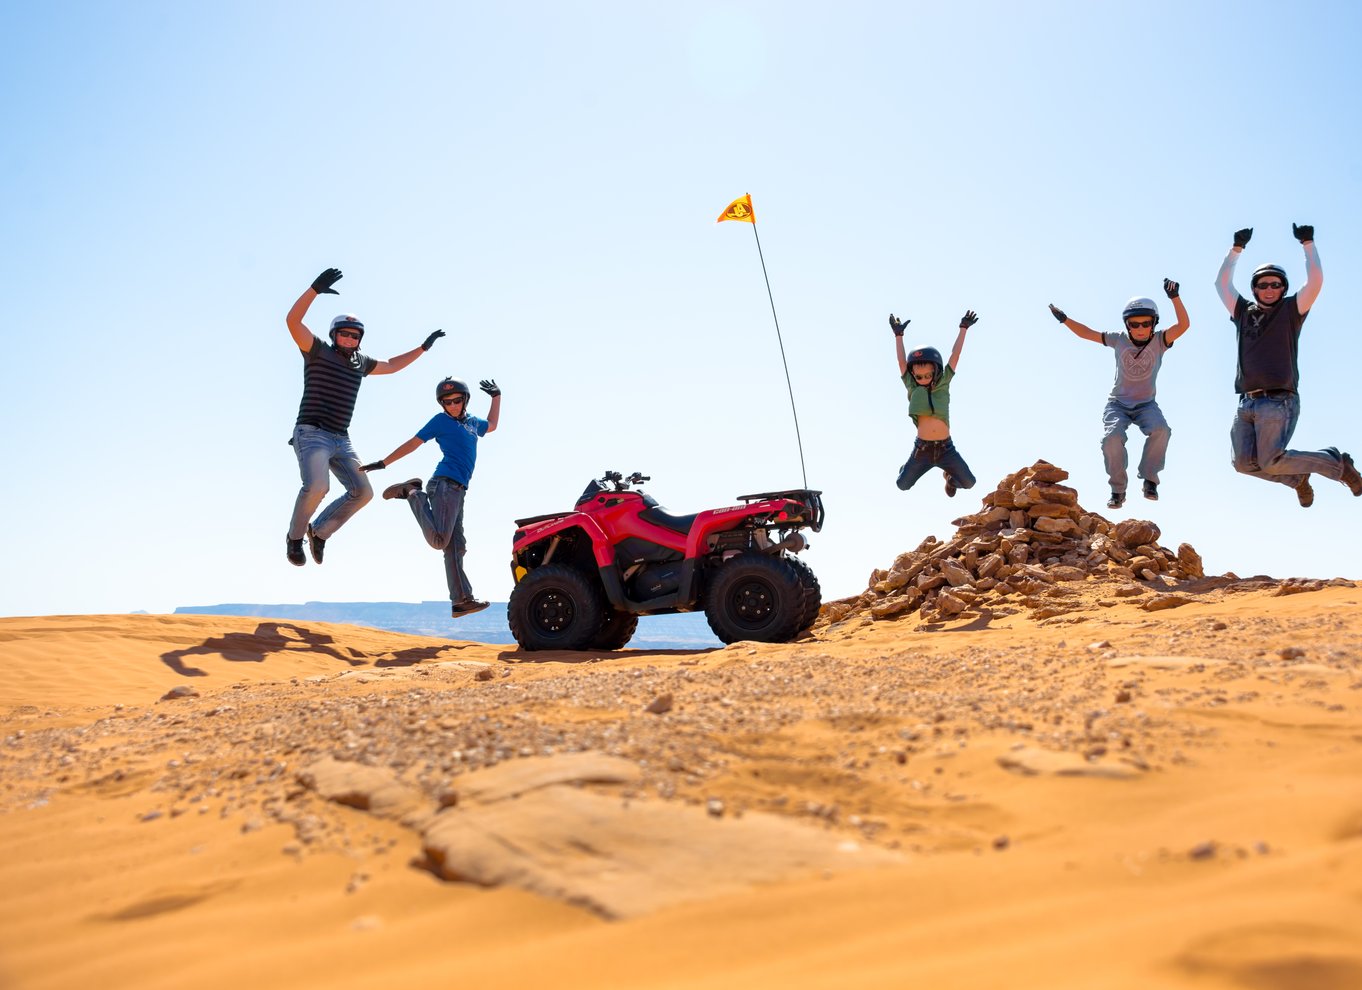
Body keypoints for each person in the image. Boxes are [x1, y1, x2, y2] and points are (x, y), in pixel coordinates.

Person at [284, 268, 446, 566]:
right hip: (312, 433)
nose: (348, 338)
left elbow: (392, 365)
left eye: (354, 335)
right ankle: (294, 539)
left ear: (359, 339)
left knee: (364, 491)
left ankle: (318, 533)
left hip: (341, 439)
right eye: (343, 333)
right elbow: (293, 322)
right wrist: (314, 290)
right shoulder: (317, 350)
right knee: (318, 486)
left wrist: (423, 348)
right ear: (334, 335)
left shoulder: (361, 363)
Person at [1214, 224, 1362, 506]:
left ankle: (1337, 464)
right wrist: (1236, 249)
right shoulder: (1242, 311)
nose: (1269, 289)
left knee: (1270, 460)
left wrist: (1308, 243)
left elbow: (1316, 281)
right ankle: (1298, 479)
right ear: (1254, 288)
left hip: (1278, 401)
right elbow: (1221, 284)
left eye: (1275, 284)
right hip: (1246, 402)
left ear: (1283, 287)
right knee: (1243, 464)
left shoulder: (1291, 310)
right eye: (1263, 284)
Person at [361, 377, 502, 618]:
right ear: (442, 405)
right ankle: (412, 493)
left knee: (456, 548)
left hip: (459, 491)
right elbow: (414, 443)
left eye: (457, 400)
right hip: (444, 485)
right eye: (447, 402)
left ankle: (461, 601)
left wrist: (496, 397)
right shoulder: (440, 421)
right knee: (439, 541)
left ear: (465, 400)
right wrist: (384, 463)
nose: (453, 405)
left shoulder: (472, 423)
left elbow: (491, 425)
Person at [1048, 280, 1189, 509]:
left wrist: (1175, 298)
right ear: (1127, 325)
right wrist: (1065, 320)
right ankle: (1117, 490)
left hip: (1146, 405)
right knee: (1111, 439)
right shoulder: (1118, 339)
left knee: (1161, 430)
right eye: (1135, 324)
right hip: (1118, 405)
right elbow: (1087, 333)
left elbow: (1183, 325)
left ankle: (1150, 480)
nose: (1141, 328)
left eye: (1146, 323)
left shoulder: (1160, 340)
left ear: (1154, 324)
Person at [890, 310, 978, 496]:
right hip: (922, 449)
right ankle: (906, 468)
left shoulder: (943, 382)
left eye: (928, 375)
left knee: (969, 482)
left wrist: (963, 328)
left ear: (936, 371)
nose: (923, 378)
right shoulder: (912, 386)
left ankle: (950, 479)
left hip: (947, 448)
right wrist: (898, 335)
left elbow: (955, 356)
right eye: (919, 376)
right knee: (902, 485)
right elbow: (901, 362)